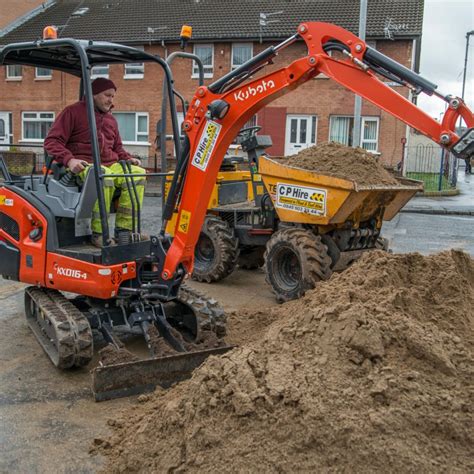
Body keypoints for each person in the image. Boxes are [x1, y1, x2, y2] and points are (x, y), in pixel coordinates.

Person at [44, 78, 146, 247]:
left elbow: (117, 148)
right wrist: (69, 160)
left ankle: (125, 232)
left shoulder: (111, 120)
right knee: (103, 175)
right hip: (84, 164)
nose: (111, 100)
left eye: (113, 96)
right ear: (94, 94)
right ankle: (99, 233)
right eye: (107, 95)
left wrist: (127, 158)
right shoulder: (72, 112)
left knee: (137, 174)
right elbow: (51, 142)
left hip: (109, 163)